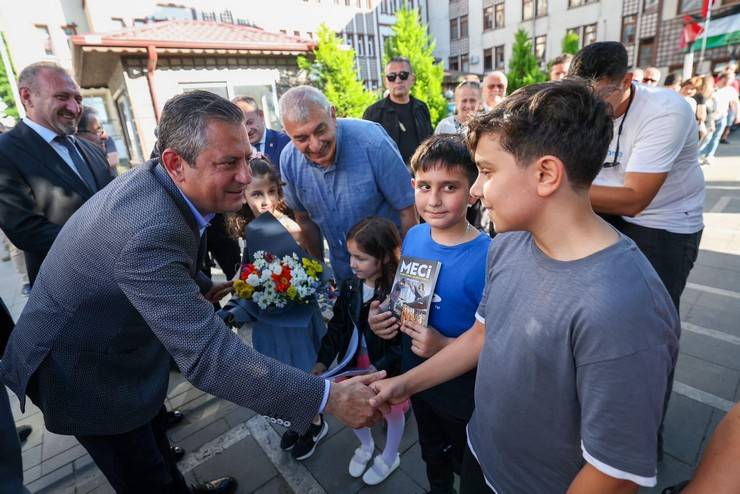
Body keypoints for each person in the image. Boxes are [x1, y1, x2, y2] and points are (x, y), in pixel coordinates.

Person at [0, 90, 388, 494]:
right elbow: (209, 359)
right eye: (228, 163)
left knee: (158, 450)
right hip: (83, 375)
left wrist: (200, 285)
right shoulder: (149, 231)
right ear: (175, 163)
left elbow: (171, 253)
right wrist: (328, 397)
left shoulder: (162, 184)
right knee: (144, 476)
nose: (245, 176)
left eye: (247, 156)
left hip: (116, 353)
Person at [370, 79, 680, 494]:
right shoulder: (510, 244)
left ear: (547, 174)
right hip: (481, 456)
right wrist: (402, 384)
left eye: (487, 171)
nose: (477, 190)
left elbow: (615, 473)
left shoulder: (625, 307)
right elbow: (483, 334)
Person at [369, 134, 491, 494]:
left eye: (449, 186)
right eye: (425, 186)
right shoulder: (416, 235)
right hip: (415, 376)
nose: (434, 199)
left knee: (466, 461)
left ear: (472, 191)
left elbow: (493, 339)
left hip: (461, 392)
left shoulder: (489, 255)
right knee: (430, 451)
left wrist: (444, 344)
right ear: (413, 187)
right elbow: (405, 296)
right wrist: (384, 317)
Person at [569, 41, 705, 313]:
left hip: (663, 219)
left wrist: (556, 190)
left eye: (598, 97)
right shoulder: (580, 105)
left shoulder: (665, 111)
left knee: (652, 310)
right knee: (597, 299)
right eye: (581, 95)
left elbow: (635, 200)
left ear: (627, 81)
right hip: (603, 208)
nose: (586, 107)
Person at [225, 157, 327, 460]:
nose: (267, 201)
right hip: (269, 325)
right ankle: (300, 420)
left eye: (272, 191)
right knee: (282, 377)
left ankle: (315, 422)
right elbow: (250, 275)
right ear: (244, 195)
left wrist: (295, 287)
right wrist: (240, 290)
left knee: (304, 375)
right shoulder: (253, 230)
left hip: (296, 322)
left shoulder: (293, 229)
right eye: (257, 194)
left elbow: (313, 271)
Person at [279, 85, 417, 283]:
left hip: (388, 270)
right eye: (301, 138)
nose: (316, 145)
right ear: (287, 134)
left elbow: (407, 208)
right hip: (342, 272)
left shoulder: (372, 142)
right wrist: (319, 272)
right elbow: (304, 219)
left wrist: (407, 272)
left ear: (333, 115)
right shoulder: (288, 160)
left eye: (320, 130)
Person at [0, 62, 114, 286]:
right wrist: (107, 245)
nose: (74, 108)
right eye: (62, 97)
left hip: (119, 281)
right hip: (67, 290)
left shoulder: (91, 149)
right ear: (27, 97)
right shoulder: (5, 152)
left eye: (78, 99)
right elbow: (26, 231)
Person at [312, 217, 406, 485]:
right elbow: (339, 326)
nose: (352, 264)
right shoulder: (351, 285)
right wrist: (322, 361)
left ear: (385, 257)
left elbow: (403, 344)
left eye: (361, 258)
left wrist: (383, 366)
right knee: (351, 405)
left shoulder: (398, 293)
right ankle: (366, 446)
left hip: (384, 365)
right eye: (350, 255)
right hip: (354, 360)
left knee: (392, 411)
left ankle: (390, 454)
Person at [363, 57, 434, 166]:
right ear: (386, 82)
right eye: (392, 77)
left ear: (413, 79)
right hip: (388, 177)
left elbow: (430, 143)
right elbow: (366, 152)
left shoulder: (422, 108)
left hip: (421, 174)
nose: (398, 80)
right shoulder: (373, 113)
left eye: (403, 75)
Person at [232, 96, 290, 170]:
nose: (247, 130)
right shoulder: (236, 152)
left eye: (250, 122)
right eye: (241, 127)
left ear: (261, 115)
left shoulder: (285, 141)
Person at [700, 72, 738, 162]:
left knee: (716, 137)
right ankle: (700, 154)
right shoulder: (713, 88)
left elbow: (735, 103)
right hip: (710, 118)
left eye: (731, 79)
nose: (730, 81)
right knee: (707, 137)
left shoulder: (731, 90)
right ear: (722, 78)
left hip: (722, 116)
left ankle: (709, 156)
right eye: (728, 78)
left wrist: (737, 115)